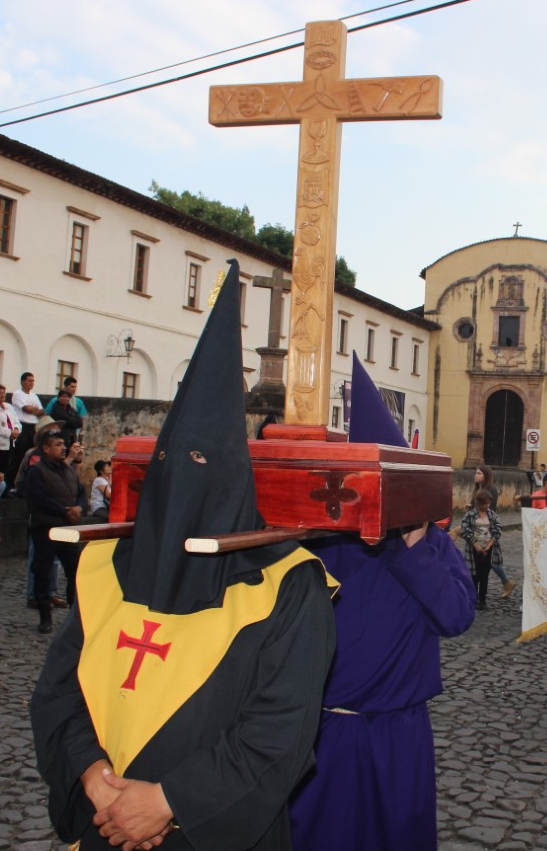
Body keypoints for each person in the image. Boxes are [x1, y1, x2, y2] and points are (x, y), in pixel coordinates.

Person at [32, 261, 337, 850]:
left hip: (210, 829)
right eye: (176, 468)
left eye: (207, 470)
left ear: (235, 482)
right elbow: (60, 692)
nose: (187, 490)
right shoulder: (105, 570)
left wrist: (170, 802)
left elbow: (282, 733)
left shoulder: (289, 585)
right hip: (106, 823)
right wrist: (93, 778)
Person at [290, 352, 473, 851]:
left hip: (398, 734)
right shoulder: (324, 541)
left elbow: (456, 616)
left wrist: (415, 545)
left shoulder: (432, 544)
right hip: (326, 731)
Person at [24, 429, 85, 633]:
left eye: (63, 444)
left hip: (67, 529)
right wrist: (64, 512)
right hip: (46, 528)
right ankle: (44, 616)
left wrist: (79, 508)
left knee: (75, 570)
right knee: (43, 571)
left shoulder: (68, 470)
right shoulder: (37, 471)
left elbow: (80, 492)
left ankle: (74, 615)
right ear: (46, 448)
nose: (63, 447)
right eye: (58, 444)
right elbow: (39, 498)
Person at [469, 465, 514, 597]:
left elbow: (490, 510)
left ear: (485, 476)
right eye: (475, 473)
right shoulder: (479, 489)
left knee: (491, 559)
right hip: (479, 528)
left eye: (479, 473)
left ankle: (506, 582)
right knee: (489, 559)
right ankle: (506, 582)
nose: (475, 475)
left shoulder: (491, 489)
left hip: (487, 530)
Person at [459, 489, 502, 610]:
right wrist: (476, 545)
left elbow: (497, 529)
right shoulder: (470, 515)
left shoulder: (492, 515)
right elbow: (465, 531)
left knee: (484, 575)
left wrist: (489, 545)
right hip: (473, 550)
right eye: (485, 503)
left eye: (488, 503)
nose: (487, 506)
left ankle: (482, 600)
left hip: (488, 549)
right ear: (478, 502)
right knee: (474, 575)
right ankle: (473, 598)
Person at [10, 372, 43, 485]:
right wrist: (35, 410)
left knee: (33, 457)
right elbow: (26, 409)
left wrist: (35, 410)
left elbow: (41, 411)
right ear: (23, 381)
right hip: (22, 425)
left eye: (33, 381)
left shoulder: (34, 396)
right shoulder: (18, 394)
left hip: (33, 427)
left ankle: (27, 484)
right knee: (17, 457)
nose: (31, 383)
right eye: (29, 380)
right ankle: (9, 484)